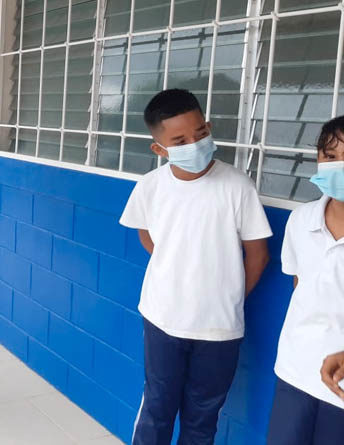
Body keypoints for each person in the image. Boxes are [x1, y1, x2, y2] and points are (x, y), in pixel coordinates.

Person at [119, 89, 272, 444]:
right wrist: (177, 268)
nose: (195, 143)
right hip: (162, 318)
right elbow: (147, 234)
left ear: (209, 127)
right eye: (180, 140)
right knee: (157, 406)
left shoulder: (237, 186)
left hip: (218, 328)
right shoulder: (150, 187)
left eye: (200, 132)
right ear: (160, 149)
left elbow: (258, 254)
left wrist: (228, 293)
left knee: (202, 417)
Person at [267, 116, 344, 444]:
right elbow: (301, 284)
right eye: (330, 156)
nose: (339, 166)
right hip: (296, 370)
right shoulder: (302, 220)